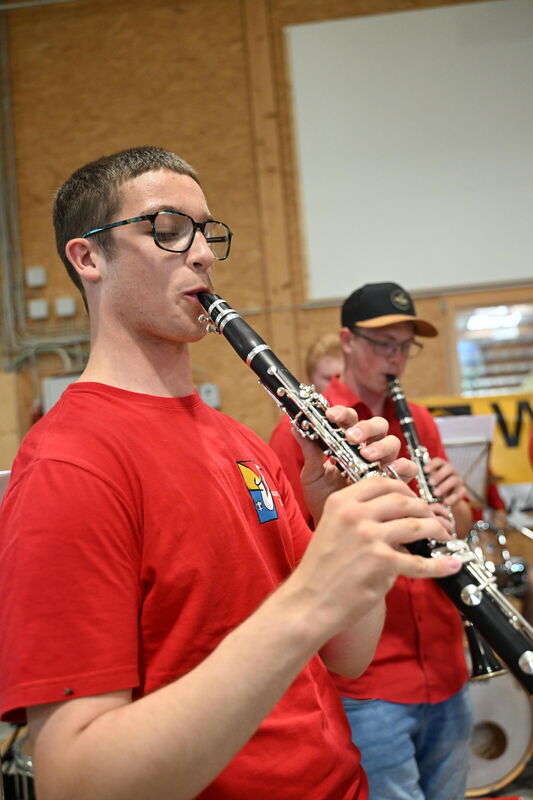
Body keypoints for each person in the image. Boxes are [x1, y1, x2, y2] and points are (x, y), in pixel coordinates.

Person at [0, 150, 461, 800]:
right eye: (167, 230)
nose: (200, 255)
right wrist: (305, 603)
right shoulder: (68, 466)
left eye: (205, 232)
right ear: (88, 257)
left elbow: (347, 653)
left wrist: (361, 527)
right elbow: (75, 782)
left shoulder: (239, 442)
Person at [270, 281, 475, 800]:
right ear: (347, 341)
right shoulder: (305, 431)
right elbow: (293, 552)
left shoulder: (419, 420)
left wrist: (455, 505)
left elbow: (458, 525)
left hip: (447, 667)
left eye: (405, 345)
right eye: (384, 343)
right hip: (371, 682)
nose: (396, 358)